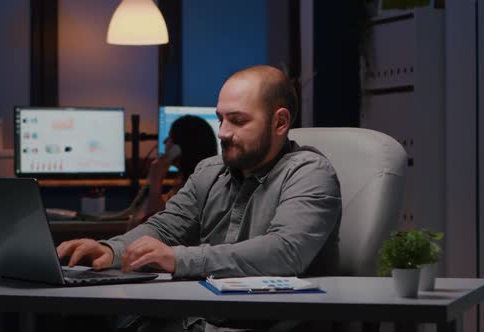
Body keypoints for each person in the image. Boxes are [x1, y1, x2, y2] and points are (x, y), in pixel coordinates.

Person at [57, 65, 342, 331]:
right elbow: (164, 228)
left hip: (260, 324)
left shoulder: (309, 172)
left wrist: (179, 259)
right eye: (221, 119)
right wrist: (111, 251)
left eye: (238, 121)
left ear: (280, 122)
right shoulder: (211, 170)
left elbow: (284, 253)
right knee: (79, 319)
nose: (223, 133)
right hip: (198, 318)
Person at [134, 115, 218, 222]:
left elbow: (150, 227)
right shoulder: (183, 186)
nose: (164, 142)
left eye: (170, 137)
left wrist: (155, 181)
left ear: (178, 148)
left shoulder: (191, 193)